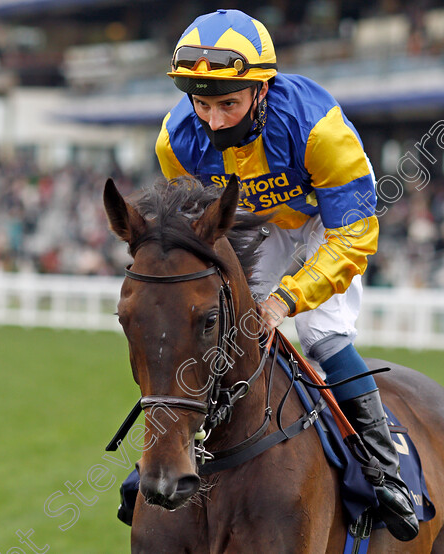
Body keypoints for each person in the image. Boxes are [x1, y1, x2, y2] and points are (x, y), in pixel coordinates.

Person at [155, 9, 418, 541]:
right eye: (201, 104)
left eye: (228, 103)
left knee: (321, 335)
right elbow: (202, 240)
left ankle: (383, 468)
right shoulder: (176, 143)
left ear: (262, 89)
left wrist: (287, 300)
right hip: (257, 224)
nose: (214, 121)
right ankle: (165, 455)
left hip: (329, 220)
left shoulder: (319, 129)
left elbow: (355, 235)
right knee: (219, 326)